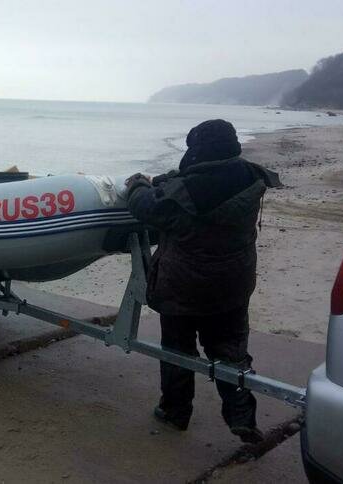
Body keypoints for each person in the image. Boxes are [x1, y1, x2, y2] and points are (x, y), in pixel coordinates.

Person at [124, 119, 282, 444]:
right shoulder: (250, 177)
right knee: (232, 352)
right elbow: (186, 180)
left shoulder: (183, 195)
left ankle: (175, 412)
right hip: (233, 286)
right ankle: (241, 416)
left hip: (183, 289)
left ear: (198, 150)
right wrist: (163, 179)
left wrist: (137, 185)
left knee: (178, 352)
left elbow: (144, 207)